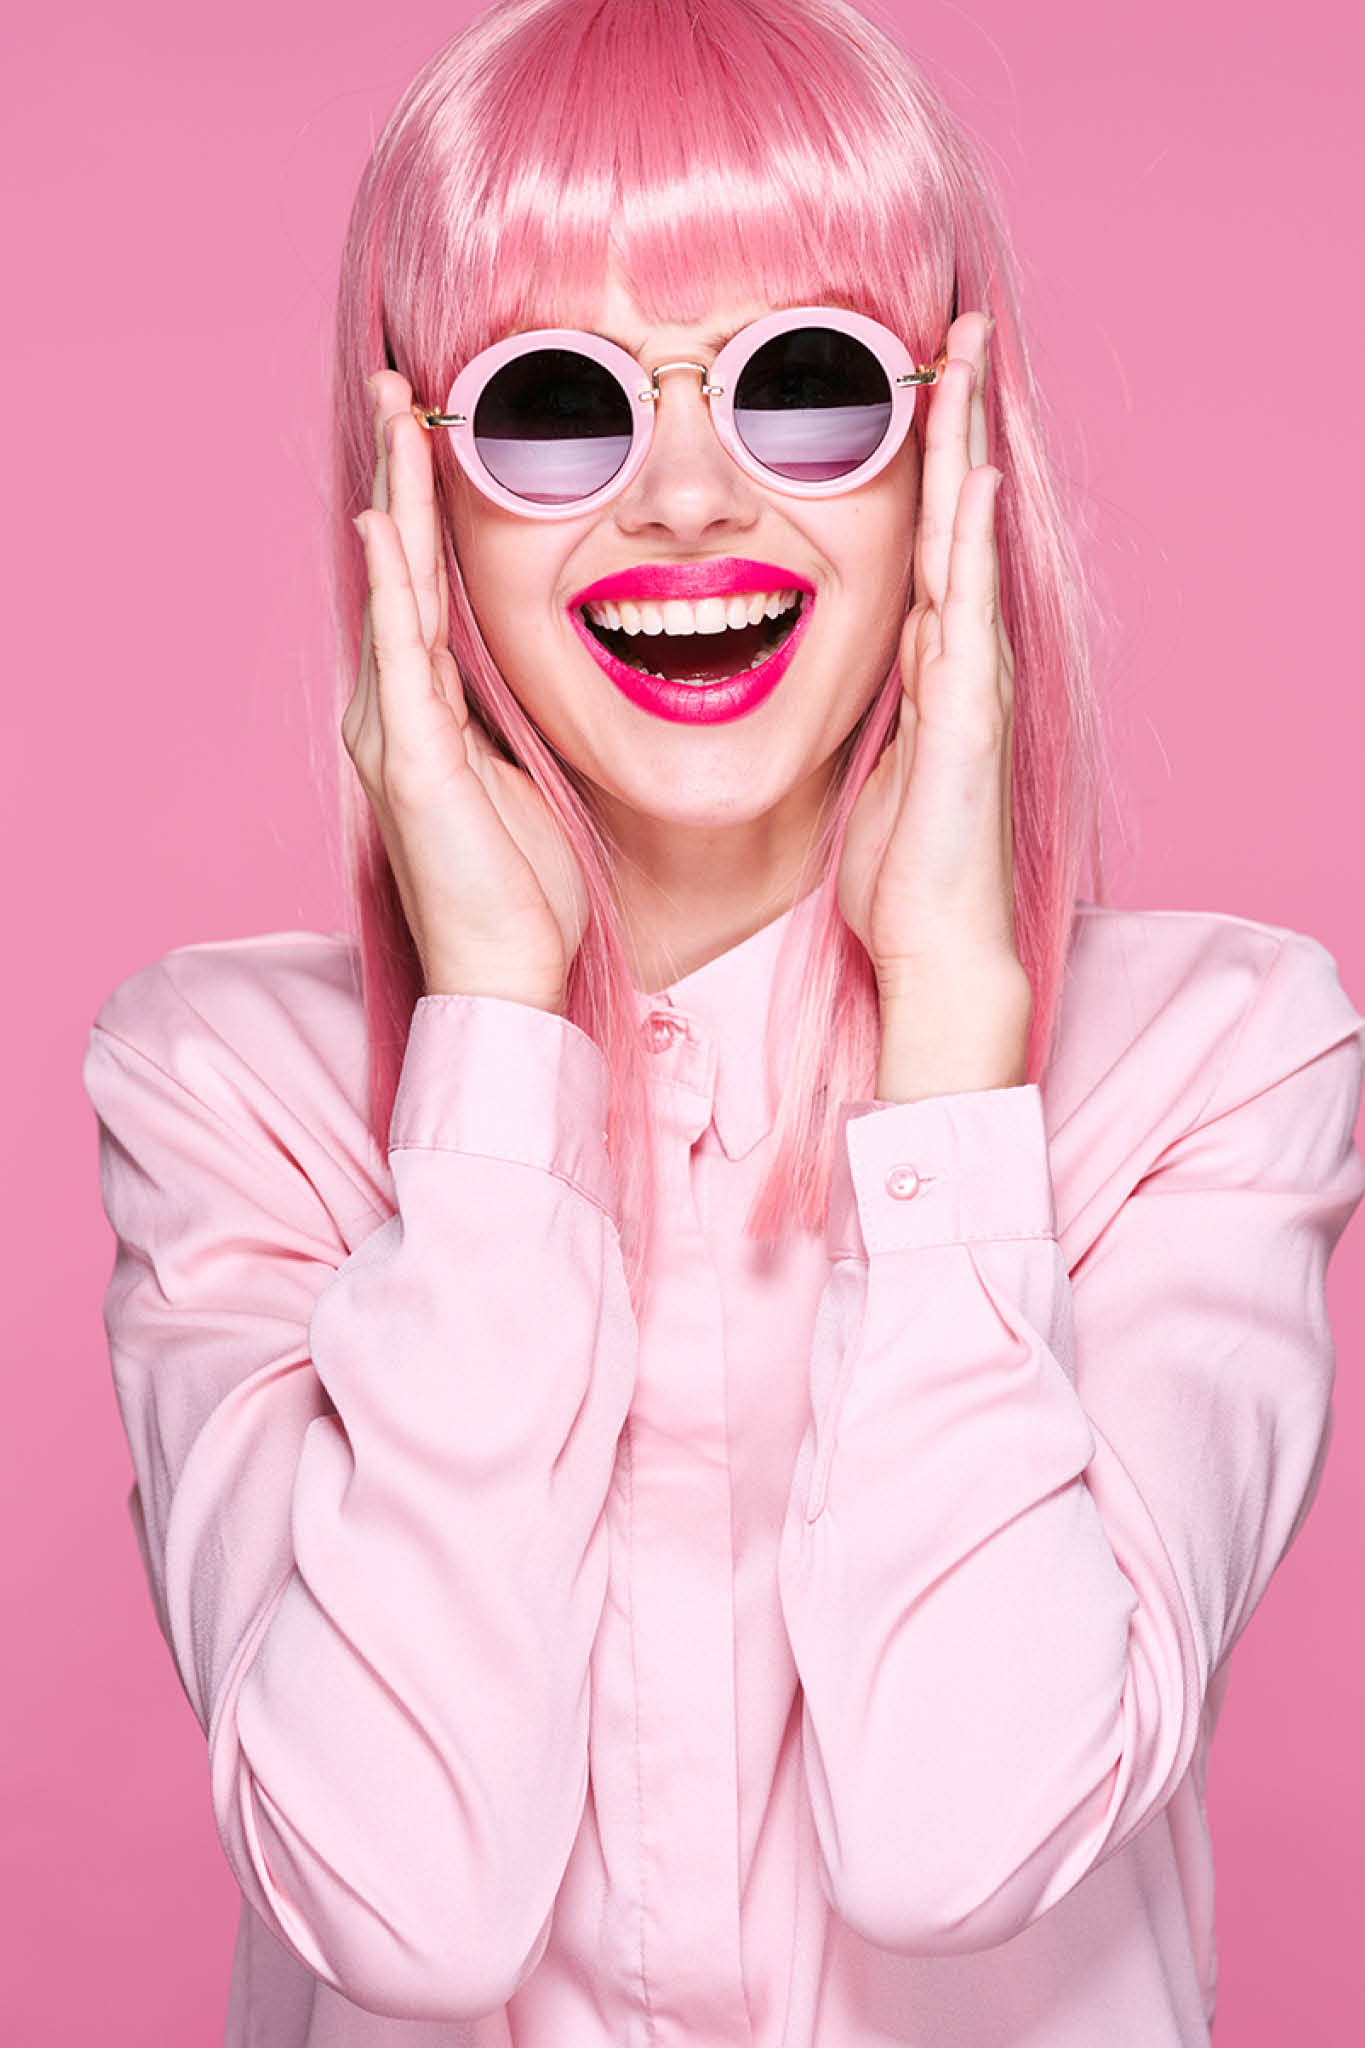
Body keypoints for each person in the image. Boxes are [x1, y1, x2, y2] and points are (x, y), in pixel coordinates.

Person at [81, 1, 1365, 2043]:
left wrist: (950, 1034)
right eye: (556, 408)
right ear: (410, 499)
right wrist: (492, 1038)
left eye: (800, 384)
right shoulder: (233, 1098)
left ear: (949, 445)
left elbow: (965, 1838)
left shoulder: (1210, 1067)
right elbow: (397, 1905)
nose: (685, 497)